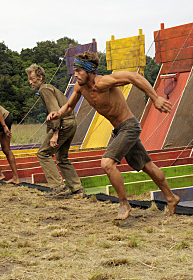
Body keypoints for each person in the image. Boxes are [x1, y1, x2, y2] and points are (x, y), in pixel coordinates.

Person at [47, 51, 180, 220]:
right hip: (119, 130)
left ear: (89, 71)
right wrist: (57, 114)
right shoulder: (80, 87)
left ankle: (124, 204)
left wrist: (155, 98)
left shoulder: (104, 82)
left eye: (78, 71)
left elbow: (134, 77)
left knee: (107, 163)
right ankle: (171, 198)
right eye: (74, 71)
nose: (75, 75)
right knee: (147, 166)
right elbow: (68, 106)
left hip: (129, 127)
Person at [26, 64, 85, 198]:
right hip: (71, 122)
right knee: (61, 157)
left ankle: (58, 187)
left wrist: (55, 134)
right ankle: (77, 189)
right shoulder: (50, 88)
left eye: (32, 79)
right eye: (29, 79)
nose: (30, 82)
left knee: (43, 154)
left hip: (63, 124)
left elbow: (54, 111)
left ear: (40, 78)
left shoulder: (44, 89)